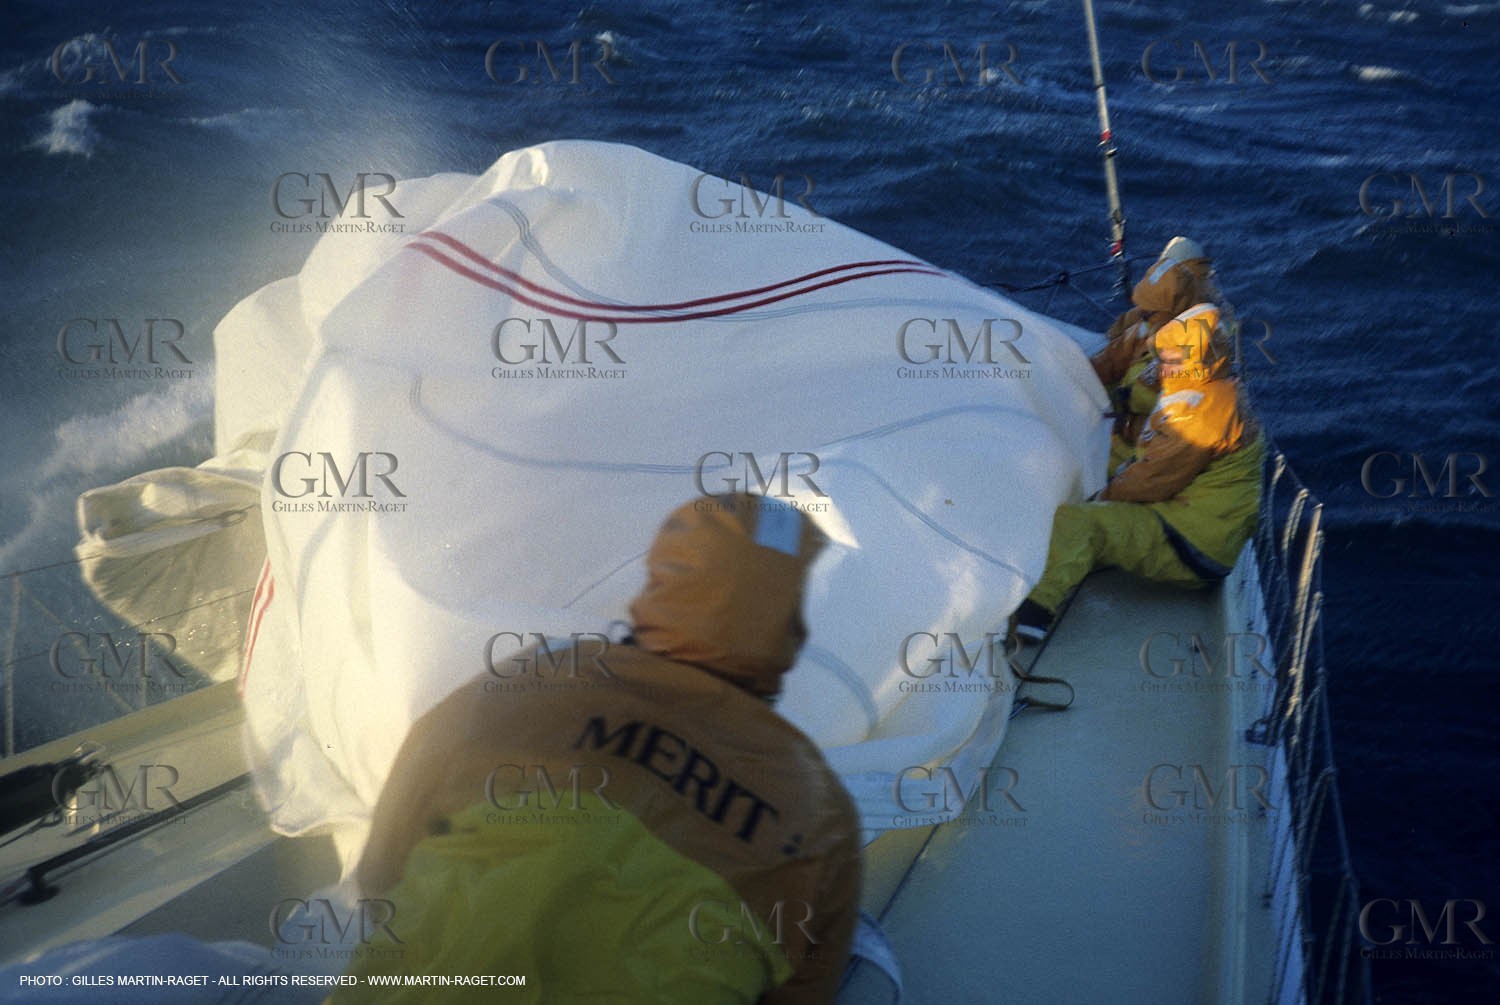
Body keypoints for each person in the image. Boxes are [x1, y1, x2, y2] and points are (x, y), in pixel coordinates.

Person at [336, 493, 862, 1004]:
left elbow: (384, 861)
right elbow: (807, 989)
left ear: (664, 573)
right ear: (790, 617)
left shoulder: (532, 682)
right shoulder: (816, 809)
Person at [1013, 301, 1264, 642]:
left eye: (1172, 358)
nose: (1162, 366)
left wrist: (1104, 496)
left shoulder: (1200, 412)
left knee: (1081, 521)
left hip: (1193, 545)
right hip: (1200, 528)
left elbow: (1154, 479)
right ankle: (1076, 554)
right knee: (1099, 513)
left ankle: (1032, 616)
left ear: (1197, 358)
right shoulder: (1211, 391)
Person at [1092, 244, 1211, 475]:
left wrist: (1127, 414)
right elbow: (1108, 362)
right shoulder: (1144, 324)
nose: (1144, 313)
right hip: (1123, 438)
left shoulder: (1203, 344)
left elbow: (1184, 416)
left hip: (1157, 456)